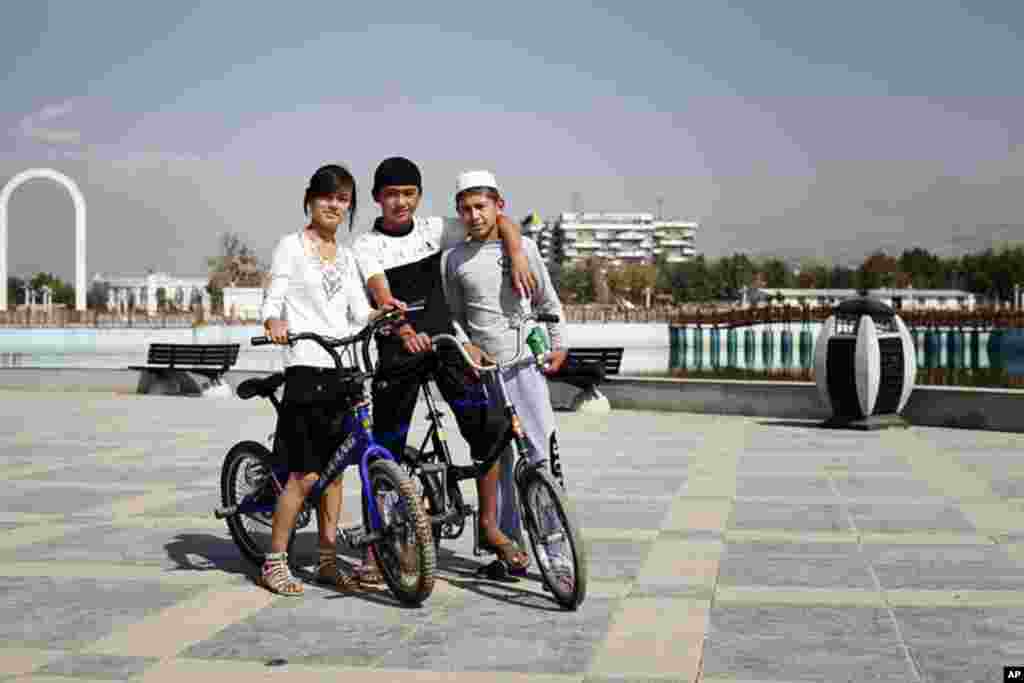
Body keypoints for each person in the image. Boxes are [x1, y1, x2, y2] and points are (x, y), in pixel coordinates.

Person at [352, 157, 536, 581]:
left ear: (418, 196)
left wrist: (517, 253)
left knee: (488, 430)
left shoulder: (436, 229)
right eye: (392, 194)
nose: (401, 202)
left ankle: (489, 528)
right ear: (379, 198)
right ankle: (380, 546)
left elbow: (498, 222)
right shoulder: (366, 245)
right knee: (386, 448)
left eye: (409, 194)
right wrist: (401, 328)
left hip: (443, 345)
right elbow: (380, 291)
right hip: (399, 349)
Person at [259, 163, 382, 596]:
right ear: (310, 199)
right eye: (328, 196)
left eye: (343, 199)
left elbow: (355, 310)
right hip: (307, 366)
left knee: (336, 472)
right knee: (305, 475)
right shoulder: (291, 246)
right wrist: (274, 318)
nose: (335, 204)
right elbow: (274, 295)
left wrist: (380, 314)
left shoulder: (347, 255)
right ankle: (275, 560)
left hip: (344, 371)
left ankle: (327, 561)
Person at [440, 170, 568, 572]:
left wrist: (559, 344)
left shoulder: (525, 248)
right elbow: (455, 318)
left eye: (481, 206)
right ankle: (508, 549)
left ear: (499, 206)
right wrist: (467, 345)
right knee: (498, 462)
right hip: (485, 374)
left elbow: (549, 301)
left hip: (524, 367)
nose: (474, 215)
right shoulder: (454, 259)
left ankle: (558, 553)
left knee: (540, 456)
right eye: (466, 208)